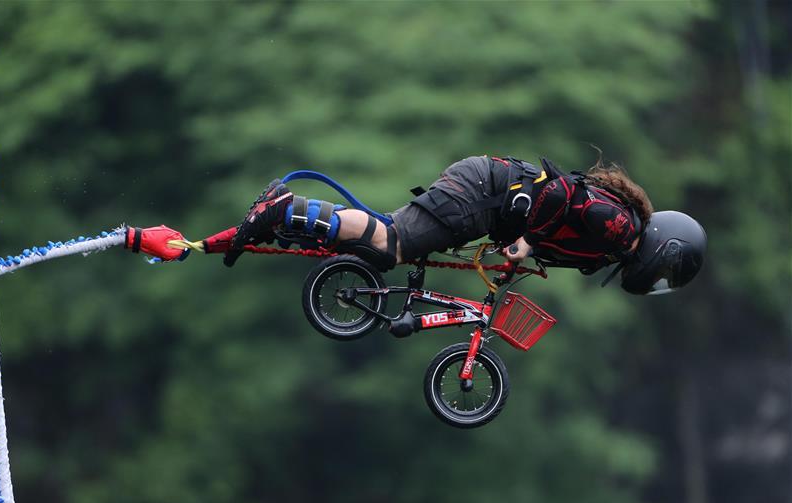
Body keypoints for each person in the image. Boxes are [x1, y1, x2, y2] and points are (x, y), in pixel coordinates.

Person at [221, 154, 706, 295]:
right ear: (666, 248)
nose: (657, 281)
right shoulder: (621, 227)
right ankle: (285, 209)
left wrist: (522, 249)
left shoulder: (610, 248)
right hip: (485, 191)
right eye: (667, 273)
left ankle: (287, 222)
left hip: (486, 194)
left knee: (381, 250)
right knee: (392, 242)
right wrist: (529, 242)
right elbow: (560, 193)